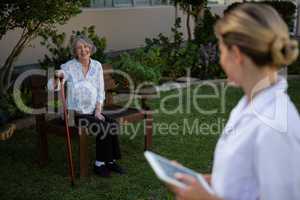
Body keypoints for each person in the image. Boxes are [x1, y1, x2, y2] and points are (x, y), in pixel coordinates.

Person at [169, 3, 300, 200]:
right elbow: (249, 177)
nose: (220, 60)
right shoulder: (249, 104)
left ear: (237, 54)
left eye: (221, 51)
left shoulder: (275, 127)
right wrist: (207, 181)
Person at [47, 35, 124, 177]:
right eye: (79, 48)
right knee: (104, 127)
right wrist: (57, 76)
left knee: (111, 123)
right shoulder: (69, 66)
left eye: (86, 46)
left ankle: (110, 161)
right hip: (74, 114)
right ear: (75, 52)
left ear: (91, 48)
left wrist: (98, 111)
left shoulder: (97, 65)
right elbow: (53, 87)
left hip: (92, 111)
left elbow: (101, 91)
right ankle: (99, 164)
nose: (83, 50)